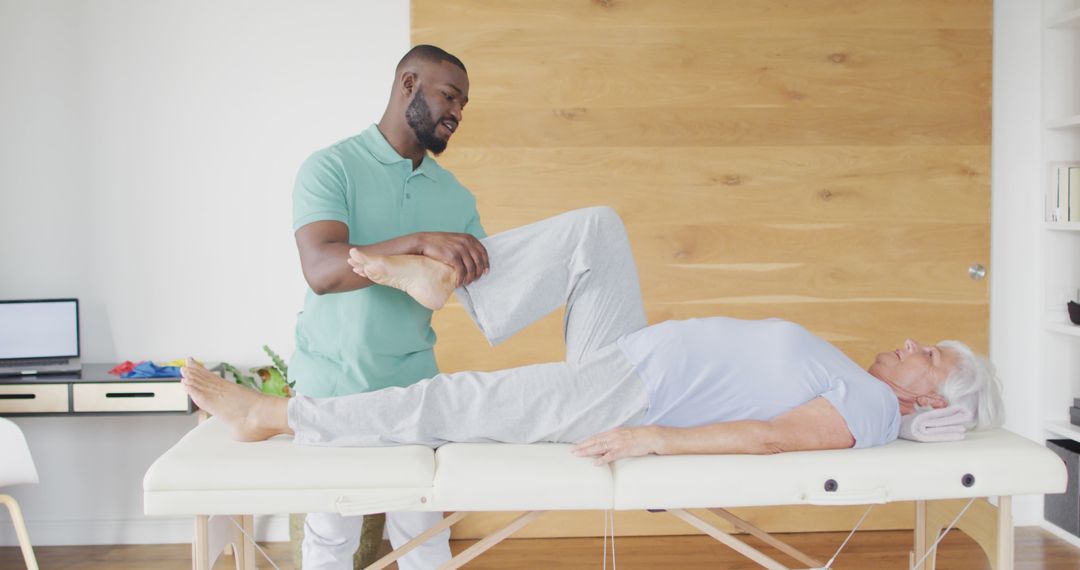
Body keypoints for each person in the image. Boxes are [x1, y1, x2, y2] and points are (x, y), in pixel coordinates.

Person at [185, 207, 1004, 467]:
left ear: (925, 395)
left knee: (455, 400)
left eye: (925, 353)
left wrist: (653, 438)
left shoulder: (869, 405)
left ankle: (281, 417)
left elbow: (764, 438)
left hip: (636, 391)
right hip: (635, 352)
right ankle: (452, 283)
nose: (906, 342)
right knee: (597, 232)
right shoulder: (871, 391)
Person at [290, 45, 486, 569]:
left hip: (413, 389)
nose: (457, 113)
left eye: (463, 104)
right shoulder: (332, 167)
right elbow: (321, 271)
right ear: (408, 85)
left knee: (425, 539)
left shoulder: (457, 199)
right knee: (332, 538)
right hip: (332, 385)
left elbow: (485, 289)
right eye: (449, 96)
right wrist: (417, 244)